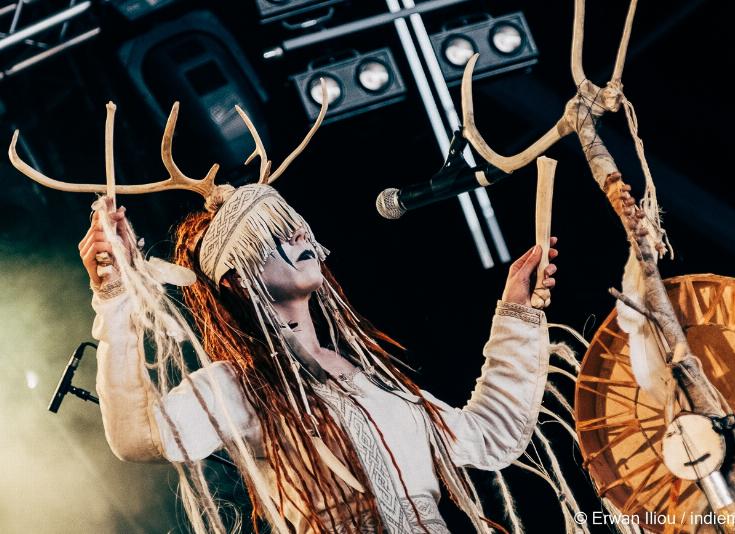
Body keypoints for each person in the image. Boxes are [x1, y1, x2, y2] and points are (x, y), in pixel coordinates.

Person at [79, 182, 559, 534]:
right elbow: (138, 438)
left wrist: (516, 310)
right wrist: (115, 296)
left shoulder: (376, 382)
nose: (298, 240)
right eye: (276, 234)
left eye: (296, 229)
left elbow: (492, 434)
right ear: (238, 279)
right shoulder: (238, 387)